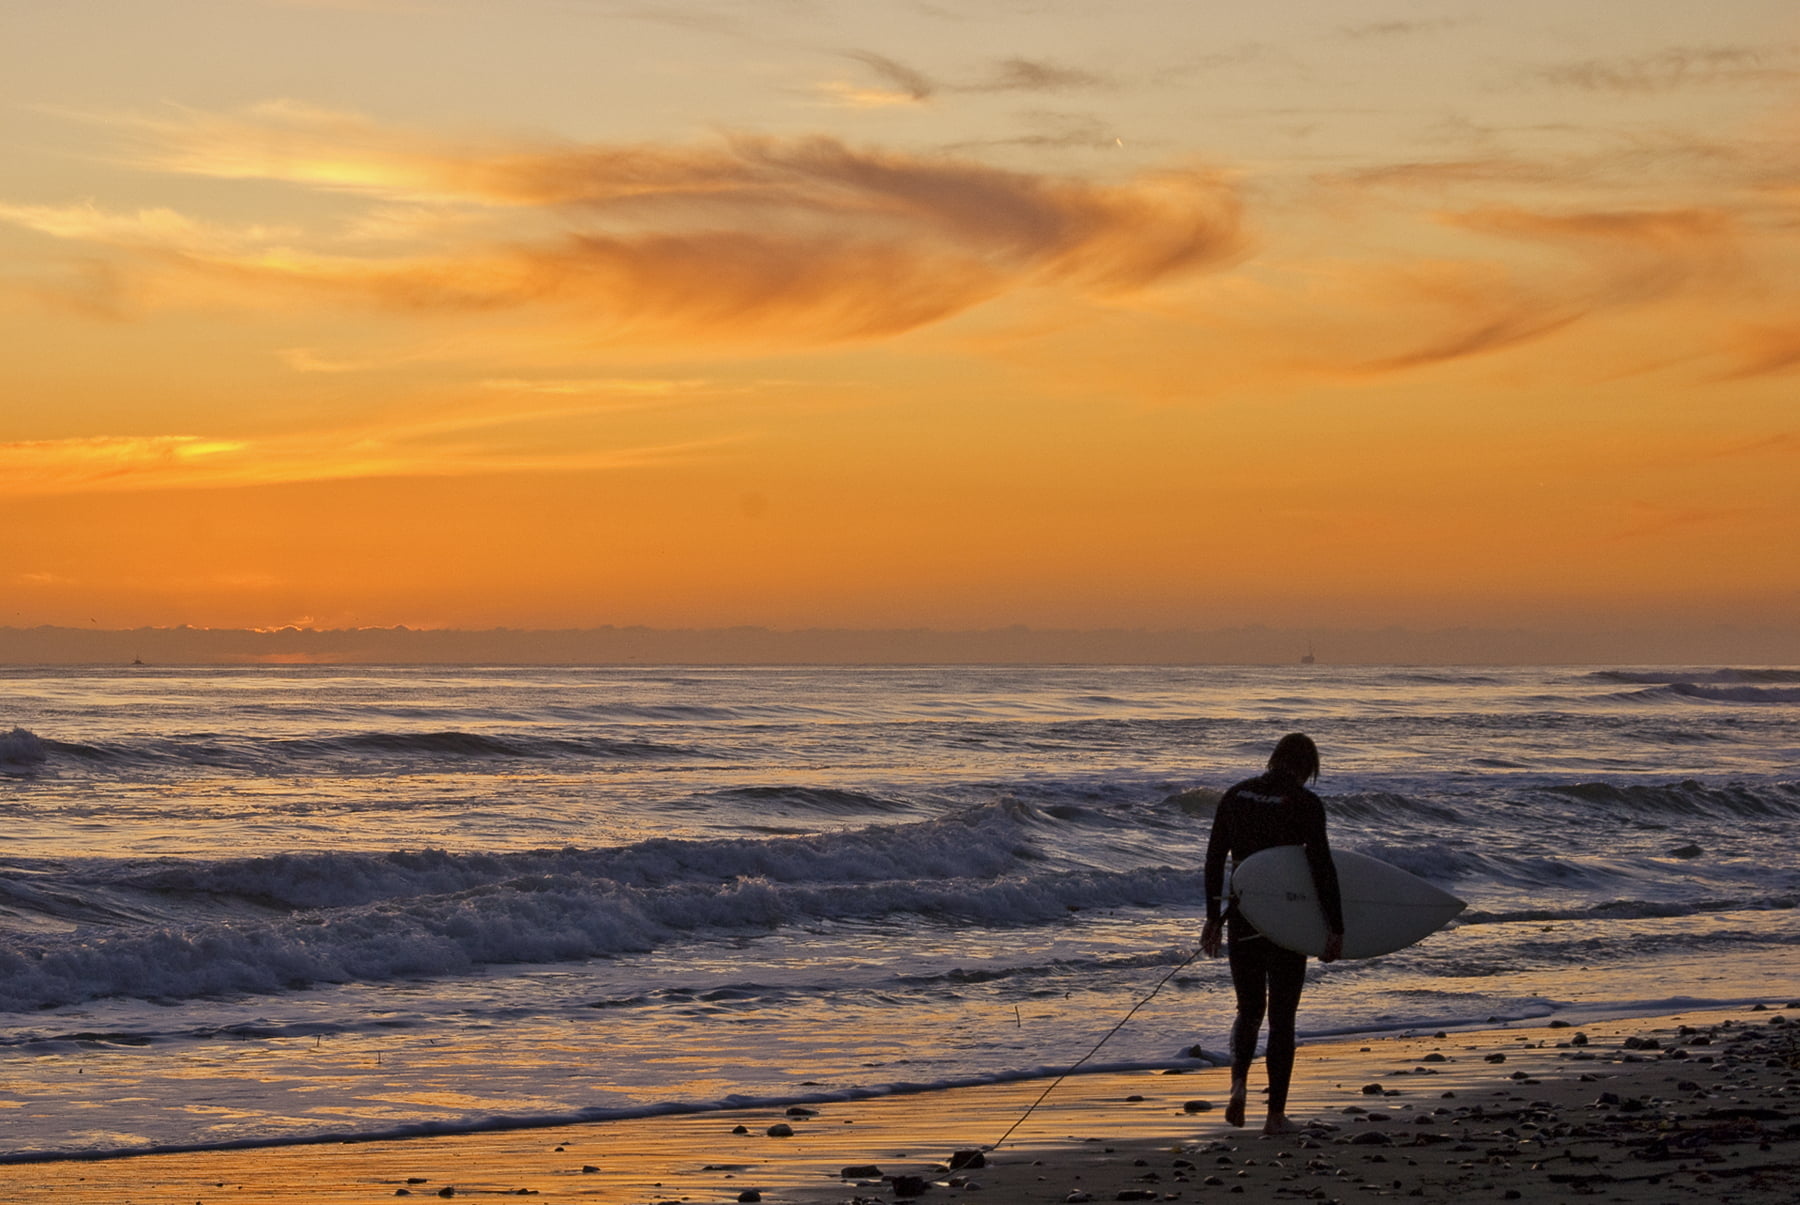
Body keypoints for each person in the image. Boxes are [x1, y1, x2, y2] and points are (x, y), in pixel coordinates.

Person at [1200, 732, 1344, 1135]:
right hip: (1286, 920)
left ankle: (1238, 1084)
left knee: (1248, 1010)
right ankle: (1275, 1116)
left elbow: (1214, 858)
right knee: (1282, 1018)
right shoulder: (1304, 803)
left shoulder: (1235, 795)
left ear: (1274, 759)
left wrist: (1213, 917)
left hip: (1244, 915)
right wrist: (1335, 927)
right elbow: (1321, 868)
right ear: (1306, 768)